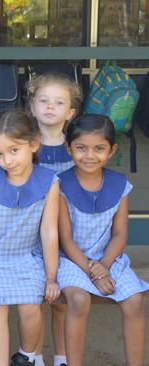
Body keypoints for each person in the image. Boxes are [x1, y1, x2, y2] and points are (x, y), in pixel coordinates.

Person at [0, 109, 61, 366]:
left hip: (29, 258)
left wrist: (51, 276)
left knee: (31, 304)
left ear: (33, 144)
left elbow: (49, 230)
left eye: (14, 150)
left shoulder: (49, 181)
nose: (7, 160)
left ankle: (26, 355)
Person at [57, 114, 147, 366]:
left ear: (112, 150)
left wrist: (105, 266)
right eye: (81, 148)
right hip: (72, 260)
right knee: (78, 299)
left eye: (99, 149)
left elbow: (120, 234)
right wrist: (93, 271)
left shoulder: (120, 185)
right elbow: (65, 239)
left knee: (134, 300)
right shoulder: (61, 185)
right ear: (69, 148)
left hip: (109, 258)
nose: (89, 156)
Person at [26, 72, 83, 366]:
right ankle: (34, 357)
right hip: (34, 237)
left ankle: (61, 359)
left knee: (61, 303)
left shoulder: (77, 148)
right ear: (32, 107)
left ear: (70, 112)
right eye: (44, 101)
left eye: (59, 102)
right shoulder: (25, 146)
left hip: (68, 237)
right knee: (37, 300)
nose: (50, 107)